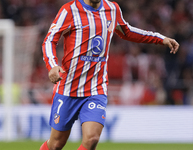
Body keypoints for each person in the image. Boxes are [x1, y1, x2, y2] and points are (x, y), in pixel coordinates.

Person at [40, 0, 179, 150]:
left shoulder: (112, 9)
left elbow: (127, 31)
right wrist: (52, 66)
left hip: (95, 88)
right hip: (68, 88)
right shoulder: (69, 10)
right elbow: (49, 39)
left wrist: (160, 38)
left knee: (92, 138)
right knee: (56, 144)